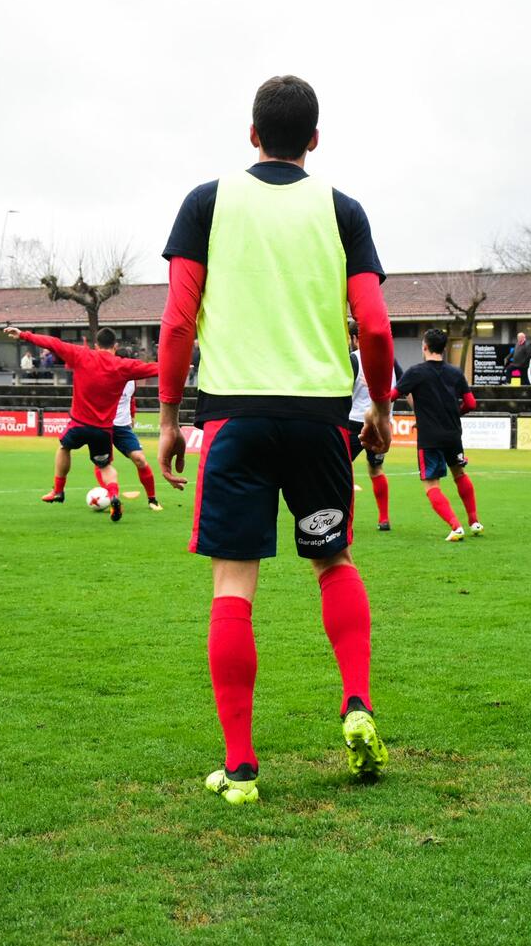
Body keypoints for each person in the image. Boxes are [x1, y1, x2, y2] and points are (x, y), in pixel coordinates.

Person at [155, 74, 395, 805]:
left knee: (234, 586)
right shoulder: (343, 210)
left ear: (253, 134)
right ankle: (357, 703)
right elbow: (376, 326)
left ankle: (241, 769)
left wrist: (168, 417)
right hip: (320, 422)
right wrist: (381, 407)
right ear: (314, 140)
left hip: (235, 419)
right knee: (333, 561)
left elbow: (177, 322)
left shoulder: (207, 202)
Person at [8, 325, 157, 518]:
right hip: (103, 430)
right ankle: (113, 495)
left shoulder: (81, 354)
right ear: (115, 346)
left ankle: (58, 490)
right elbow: (153, 368)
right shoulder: (123, 365)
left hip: (79, 424)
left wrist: (23, 335)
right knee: (104, 465)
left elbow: (52, 343)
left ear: (96, 345)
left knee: (64, 448)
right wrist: (180, 366)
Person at [394, 328, 481, 541]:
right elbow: (471, 403)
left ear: (425, 347)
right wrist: (454, 414)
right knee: (459, 474)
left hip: (430, 438)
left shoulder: (415, 372)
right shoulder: (455, 373)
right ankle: (474, 522)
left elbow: (392, 395)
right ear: (444, 348)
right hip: (453, 435)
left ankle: (456, 526)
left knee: (431, 485)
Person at [349, 321, 404, 530]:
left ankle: (346, 519)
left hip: (354, 422)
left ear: (355, 338)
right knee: (376, 469)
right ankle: (384, 519)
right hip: (381, 422)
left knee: (343, 469)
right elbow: (402, 386)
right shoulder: (389, 359)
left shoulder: (354, 359)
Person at [110, 380, 162, 510]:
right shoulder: (103, 375)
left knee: (140, 460)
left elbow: (131, 397)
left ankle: (152, 500)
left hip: (122, 427)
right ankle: (113, 499)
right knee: (104, 462)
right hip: (103, 425)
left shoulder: (131, 380)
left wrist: (132, 414)